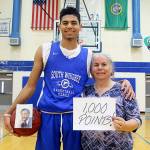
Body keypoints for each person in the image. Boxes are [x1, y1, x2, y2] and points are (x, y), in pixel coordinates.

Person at [4, 7, 135, 150]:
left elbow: (102, 75)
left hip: (75, 117)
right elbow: (30, 86)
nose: (69, 26)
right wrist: (8, 112)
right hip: (48, 115)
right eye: (65, 23)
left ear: (80, 27)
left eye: (74, 23)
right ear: (59, 26)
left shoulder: (89, 55)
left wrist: (122, 83)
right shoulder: (45, 50)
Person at [81, 53, 142, 150]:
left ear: (111, 69)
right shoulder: (84, 92)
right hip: (88, 147)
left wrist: (126, 125)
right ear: (91, 71)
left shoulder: (124, 90)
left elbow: (137, 120)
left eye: (104, 64)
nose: (100, 67)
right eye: (96, 65)